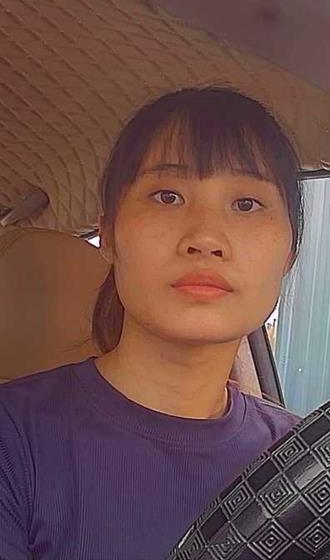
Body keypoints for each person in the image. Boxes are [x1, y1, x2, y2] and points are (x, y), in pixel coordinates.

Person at [0, 87, 304, 559]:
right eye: (168, 196)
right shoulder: (13, 441)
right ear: (110, 235)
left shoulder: (307, 460)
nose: (205, 237)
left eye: (246, 204)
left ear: (289, 253)